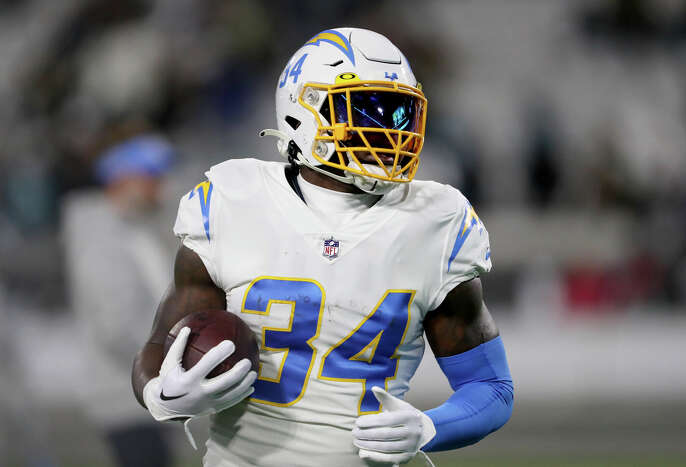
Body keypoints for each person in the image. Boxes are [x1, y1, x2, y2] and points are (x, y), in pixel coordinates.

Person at [132, 28, 513, 466]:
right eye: (366, 111)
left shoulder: (436, 221)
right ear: (303, 112)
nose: (388, 130)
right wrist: (161, 395)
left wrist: (431, 426)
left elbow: (491, 388)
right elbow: (159, 346)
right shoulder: (233, 201)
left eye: (398, 114)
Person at [64, 134, 177, 467]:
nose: (161, 187)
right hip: (126, 397)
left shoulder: (136, 229)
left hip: (148, 391)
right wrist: (167, 367)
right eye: (152, 177)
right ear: (123, 179)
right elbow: (113, 325)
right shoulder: (100, 237)